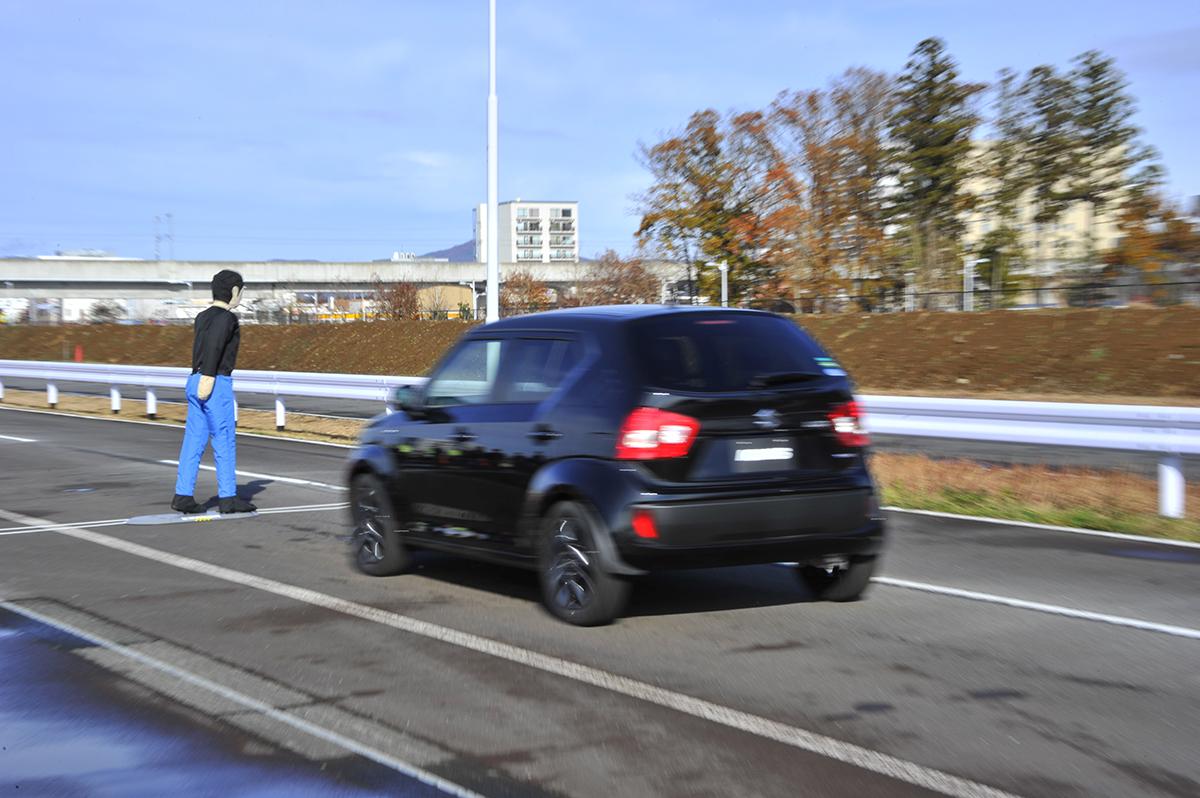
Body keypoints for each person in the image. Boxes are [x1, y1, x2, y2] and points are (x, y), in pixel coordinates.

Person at [170, 270, 257, 515]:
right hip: (215, 381)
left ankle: (183, 494)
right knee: (224, 439)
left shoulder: (202, 316)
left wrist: (201, 376)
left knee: (193, 440)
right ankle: (228, 498)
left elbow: (204, 344)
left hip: (194, 379)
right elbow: (216, 344)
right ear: (233, 292)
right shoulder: (227, 319)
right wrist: (209, 376)